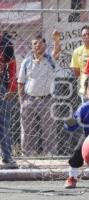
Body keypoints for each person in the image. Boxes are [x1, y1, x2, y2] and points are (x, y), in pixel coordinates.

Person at [17, 31, 61, 156]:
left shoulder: (50, 60)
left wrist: (57, 40)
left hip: (47, 99)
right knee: (27, 129)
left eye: (41, 43)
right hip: (28, 99)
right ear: (32, 47)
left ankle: (50, 154)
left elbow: (57, 52)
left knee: (49, 129)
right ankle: (27, 153)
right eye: (35, 44)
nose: (38, 46)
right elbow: (21, 81)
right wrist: (22, 100)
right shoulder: (26, 62)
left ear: (45, 46)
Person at [0, 30, 18, 169]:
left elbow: (12, 67)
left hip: (2, 87)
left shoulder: (6, 44)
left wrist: (12, 88)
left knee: (3, 124)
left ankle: (7, 157)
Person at [70, 25, 89, 101]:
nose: (86, 37)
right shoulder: (77, 51)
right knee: (86, 112)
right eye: (84, 35)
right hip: (85, 89)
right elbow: (76, 70)